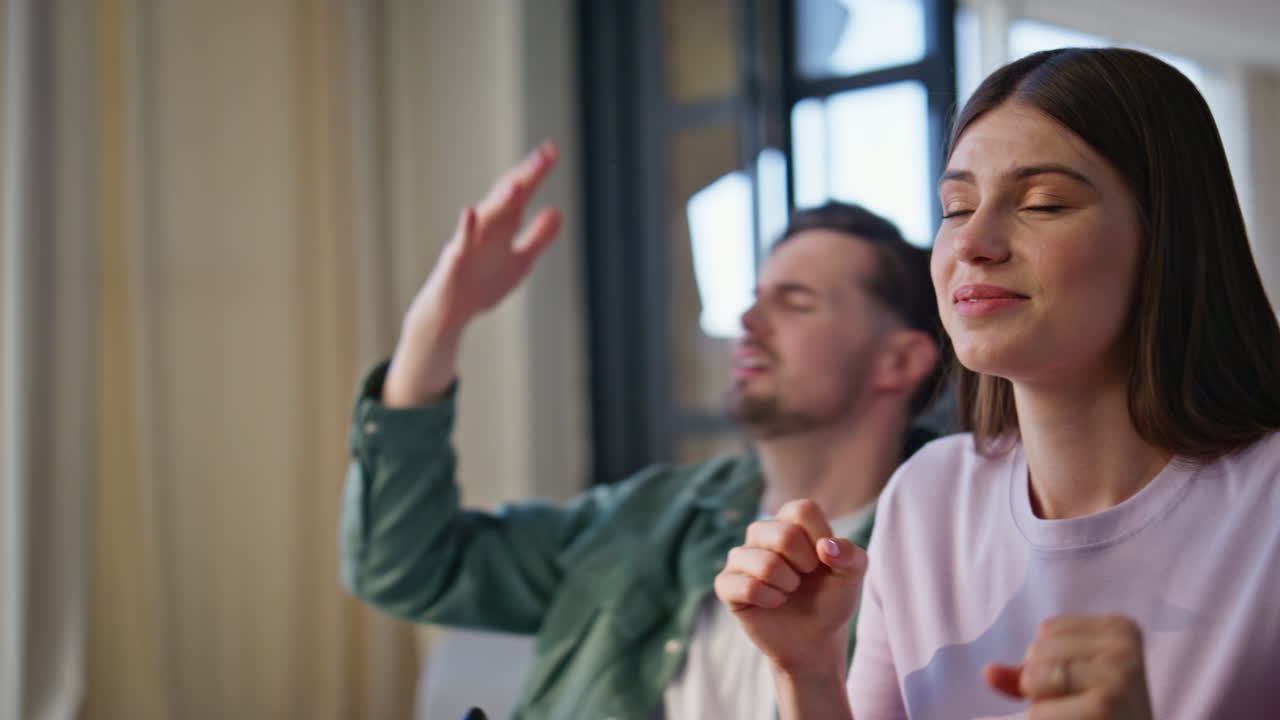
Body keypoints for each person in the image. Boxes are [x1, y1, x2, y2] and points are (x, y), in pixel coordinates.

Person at [716, 46, 1280, 720]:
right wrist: (806, 673)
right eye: (955, 208)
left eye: (1043, 204)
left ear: (1167, 237)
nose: (971, 242)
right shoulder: (928, 496)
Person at [340, 142, 944, 719]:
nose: (748, 320)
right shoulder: (652, 517)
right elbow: (403, 566)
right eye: (755, 296)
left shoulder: (944, 558)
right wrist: (436, 327)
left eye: (796, 301)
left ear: (899, 360)